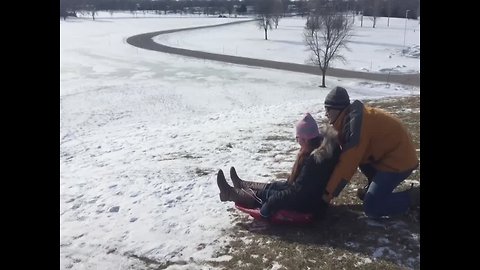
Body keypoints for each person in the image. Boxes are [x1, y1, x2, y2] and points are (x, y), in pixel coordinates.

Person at [216, 113, 341, 219]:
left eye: (297, 138)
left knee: (270, 196)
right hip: (312, 197)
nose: (297, 141)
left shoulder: (314, 161)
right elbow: (300, 186)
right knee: (277, 186)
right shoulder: (324, 150)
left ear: (305, 139)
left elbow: (297, 193)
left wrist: (271, 204)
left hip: (308, 205)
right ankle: (242, 184)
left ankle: (229, 193)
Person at [321, 86, 420, 219]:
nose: (326, 113)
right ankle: (373, 190)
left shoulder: (356, 127)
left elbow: (347, 163)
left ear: (339, 109)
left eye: (328, 109)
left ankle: (414, 196)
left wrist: (327, 194)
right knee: (370, 189)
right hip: (383, 156)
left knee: (373, 206)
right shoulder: (350, 118)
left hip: (400, 160)